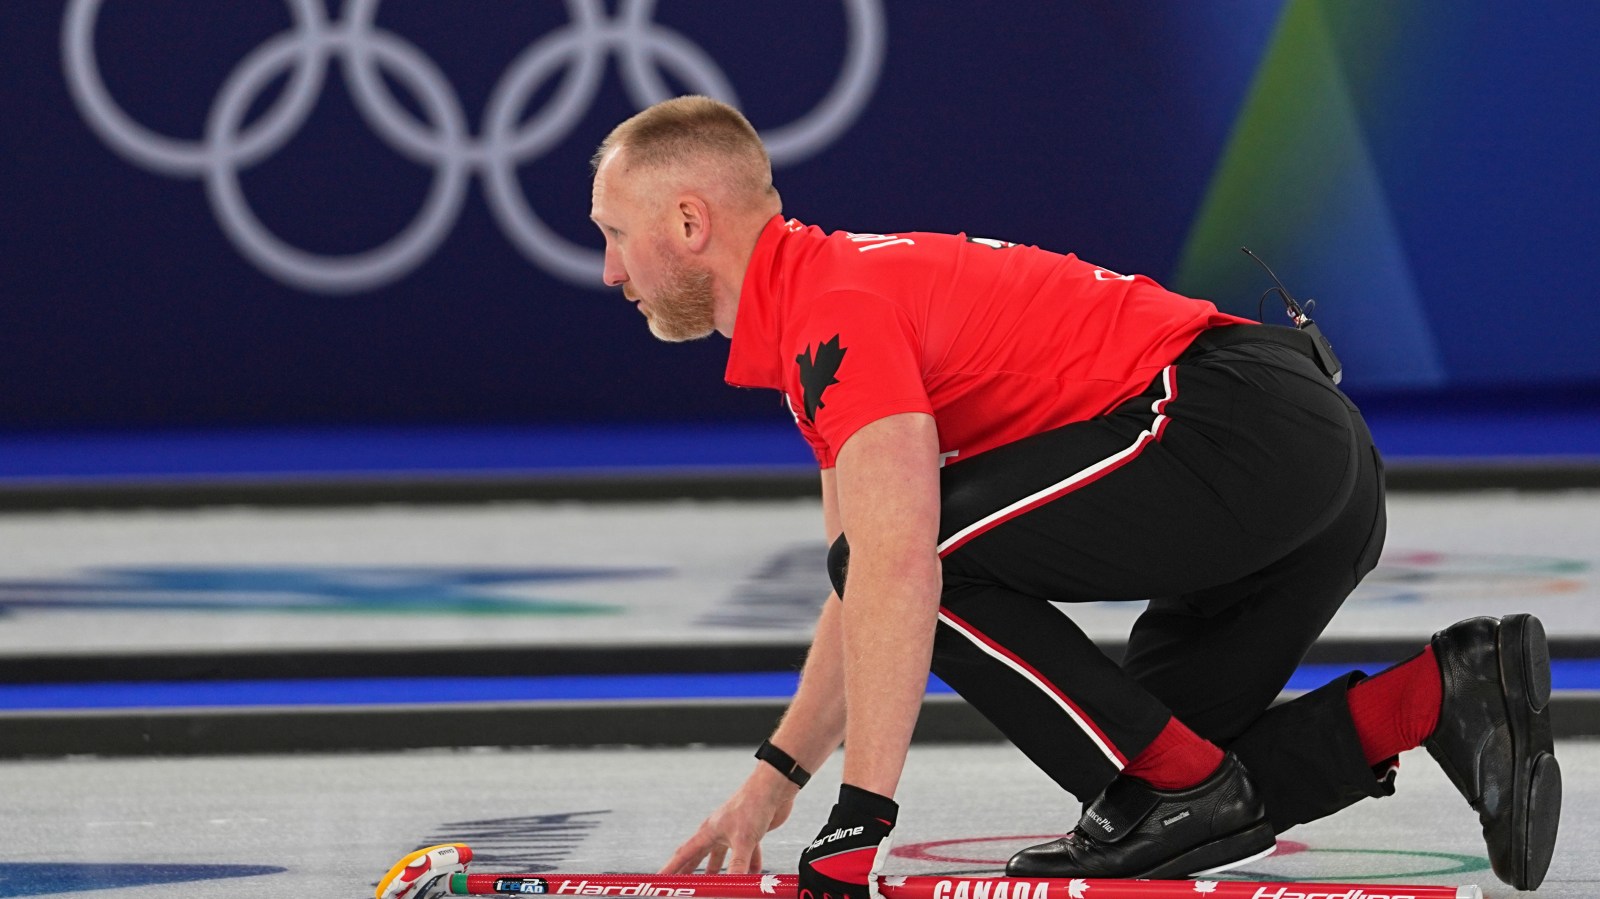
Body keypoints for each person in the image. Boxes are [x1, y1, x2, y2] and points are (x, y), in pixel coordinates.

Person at [586, 96, 1561, 894]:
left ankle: (1183, 788)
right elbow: (863, 596)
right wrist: (776, 777)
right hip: (1306, 455)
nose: (609, 269)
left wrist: (860, 818)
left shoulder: (831, 316)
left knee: (1130, 751)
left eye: (616, 234)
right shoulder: (826, 307)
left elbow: (895, 567)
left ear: (689, 223)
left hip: (1235, 425)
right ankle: (1444, 691)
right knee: (1150, 776)